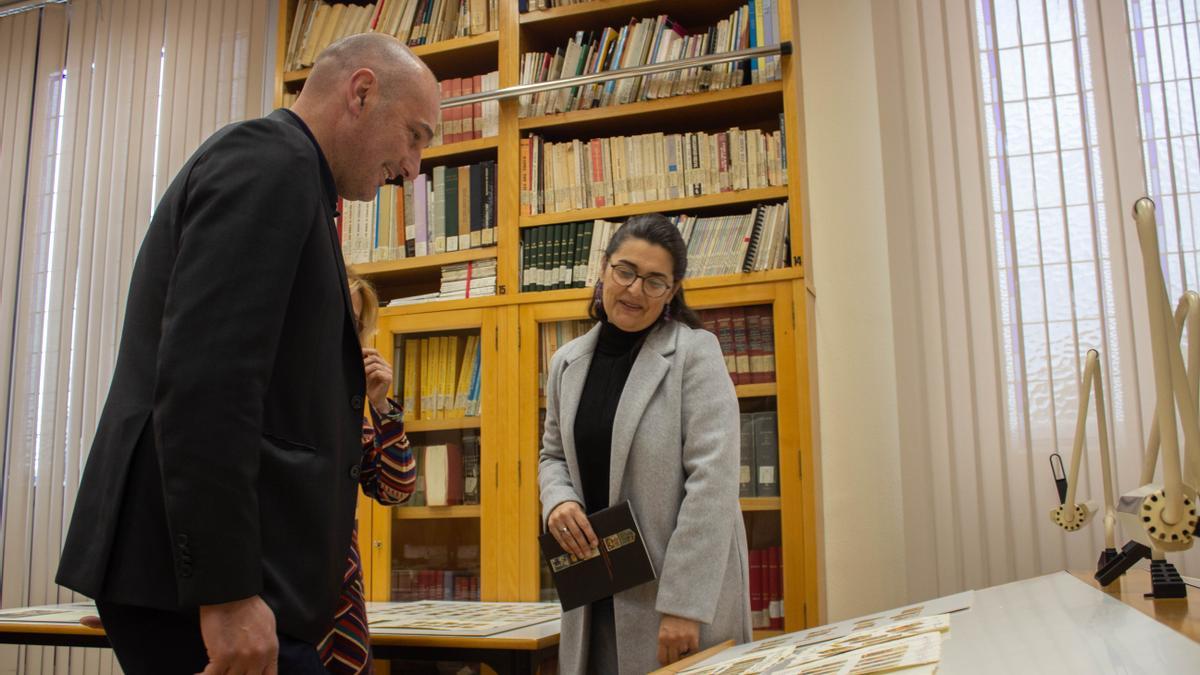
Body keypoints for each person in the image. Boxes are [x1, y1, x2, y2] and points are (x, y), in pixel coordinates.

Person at [55, 32, 440, 674]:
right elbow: (209, 381)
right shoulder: (272, 163)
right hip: (215, 590)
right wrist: (226, 590)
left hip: (233, 582)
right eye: (416, 135)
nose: (413, 167)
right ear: (362, 92)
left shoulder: (293, 177)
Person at [538, 214, 752, 674]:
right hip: (593, 589)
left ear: (672, 291)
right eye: (626, 271)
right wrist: (557, 501)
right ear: (604, 269)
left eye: (655, 281)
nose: (635, 290)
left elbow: (712, 484)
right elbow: (552, 454)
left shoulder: (695, 354)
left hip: (670, 601)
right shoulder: (566, 362)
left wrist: (685, 604)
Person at [318, 271, 417, 674]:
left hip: (340, 592)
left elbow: (396, 489)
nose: (350, 336)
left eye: (357, 326)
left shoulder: (354, 403)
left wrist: (381, 407)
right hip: (289, 593)